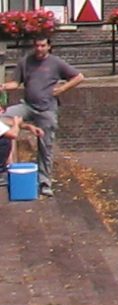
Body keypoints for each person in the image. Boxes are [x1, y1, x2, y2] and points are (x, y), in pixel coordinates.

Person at [14, 34, 82, 196]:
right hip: (28, 106)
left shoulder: (55, 62)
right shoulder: (25, 62)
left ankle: (45, 183)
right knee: (3, 120)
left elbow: (79, 77)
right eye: (37, 46)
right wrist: (2, 86)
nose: (39, 49)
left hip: (46, 109)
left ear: (49, 46)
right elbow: (15, 83)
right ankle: (6, 171)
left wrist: (62, 89)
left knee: (45, 146)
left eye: (43, 45)